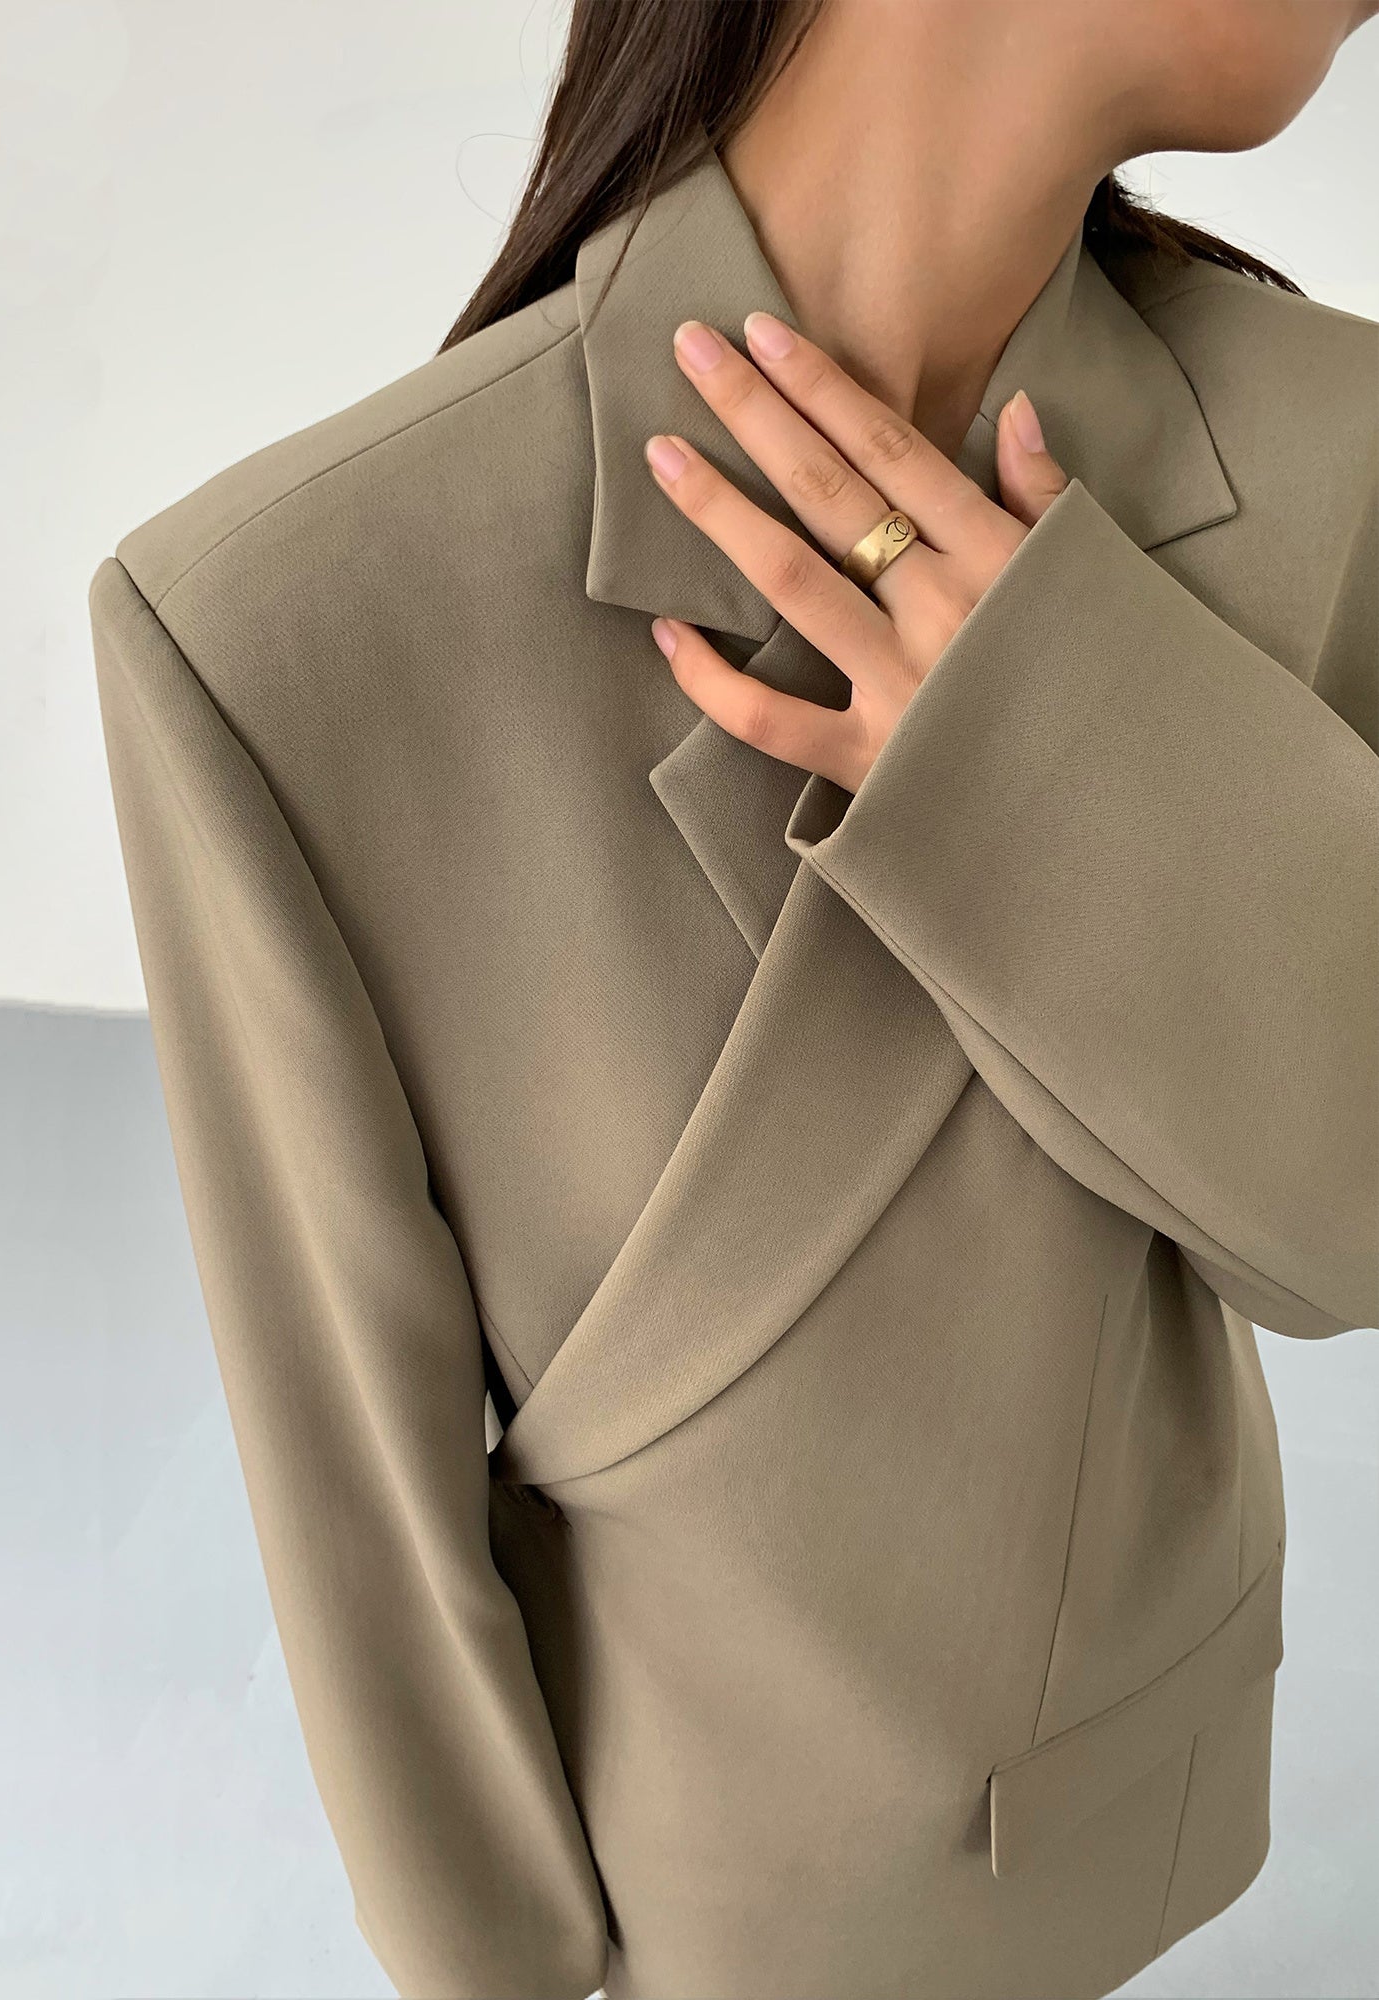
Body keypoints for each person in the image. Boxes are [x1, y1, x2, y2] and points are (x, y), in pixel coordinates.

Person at [86, 2, 1379, 1995]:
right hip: (685, 1899)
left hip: (1143, 1806)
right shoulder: (276, 625)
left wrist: (1060, 742)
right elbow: (365, 1516)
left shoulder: (1333, 454)